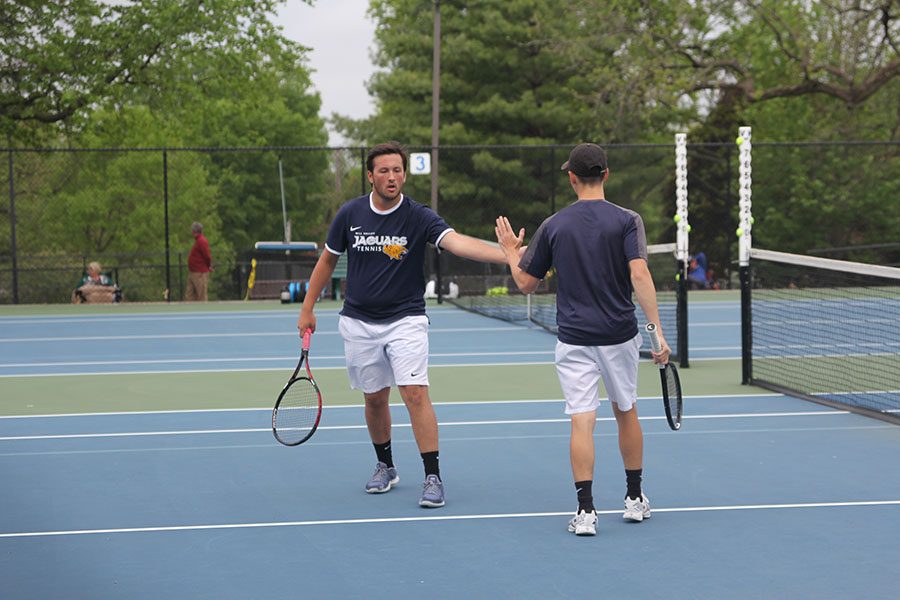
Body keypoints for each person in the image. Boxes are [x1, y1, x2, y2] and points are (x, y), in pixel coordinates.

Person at [297, 141, 508, 509]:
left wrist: (505, 253)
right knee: (375, 398)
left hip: (406, 320)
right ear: (370, 176)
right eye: (384, 171)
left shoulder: (418, 216)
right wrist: (307, 307)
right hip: (359, 321)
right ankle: (386, 466)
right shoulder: (349, 214)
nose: (391, 177)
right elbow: (327, 262)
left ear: (404, 174)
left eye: (397, 170)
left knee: (414, 393)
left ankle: (433, 475)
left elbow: (456, 243)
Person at [494, 142, 671, 536]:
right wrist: (657, 331)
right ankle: (633, 500)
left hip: (573, 339)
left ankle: (586, 511)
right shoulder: (628, 220)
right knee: (626, 411)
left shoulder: (554, 225)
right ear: (606, 175)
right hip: (620, 335)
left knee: (581, 420)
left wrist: (510, 251)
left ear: (572, 178)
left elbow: (524, 283)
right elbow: (639, 274)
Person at [186, 222, 212, 301]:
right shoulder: (198, 241)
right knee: (189, 295)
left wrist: (208, 266)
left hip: (200, 273)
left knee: (201, 296)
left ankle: (203, 312)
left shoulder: (202, 241)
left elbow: (207, 256)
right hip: (193, 272)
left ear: (194, 231)